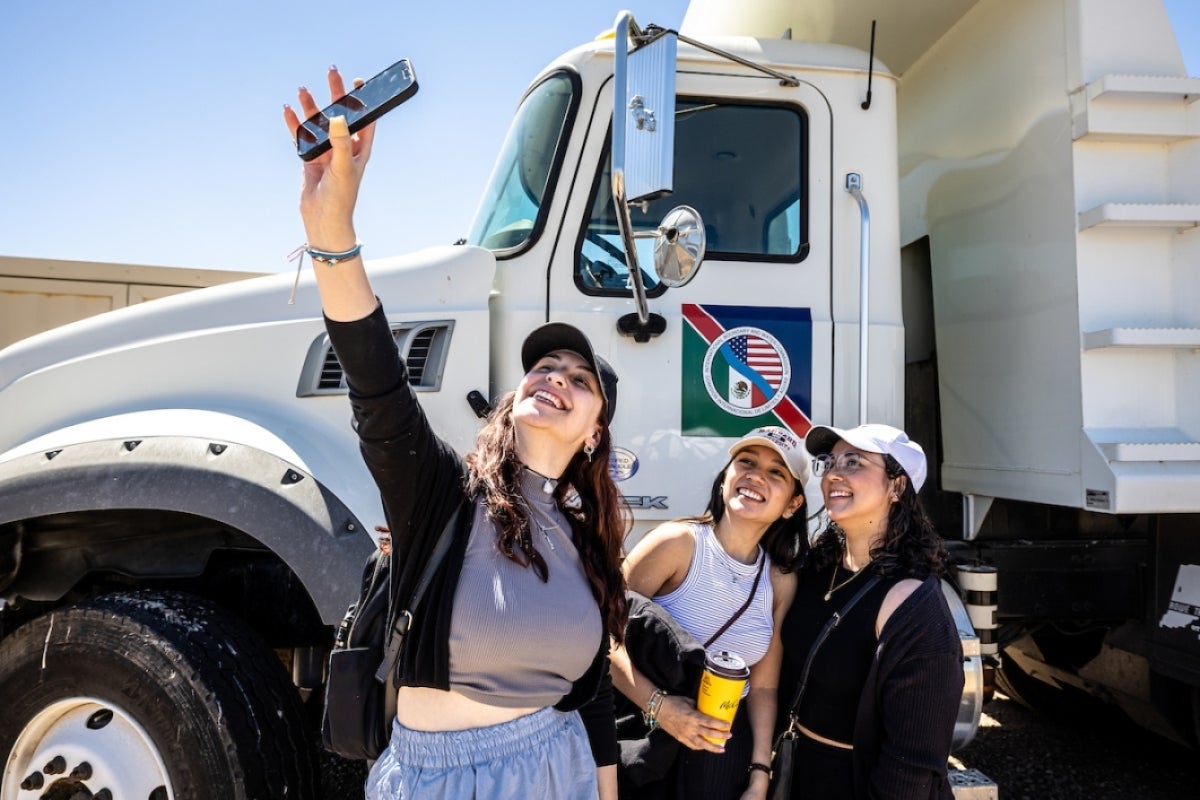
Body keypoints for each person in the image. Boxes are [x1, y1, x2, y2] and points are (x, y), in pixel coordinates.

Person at [283, 69, 628, 799]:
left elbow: (591, 699)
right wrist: (332, 236)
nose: (555, 375)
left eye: (580, 376)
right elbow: (378, 388)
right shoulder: (442, 496)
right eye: (543, 366)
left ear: (596, 432)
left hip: (560, 767)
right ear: (513, 399)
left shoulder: (588, 537)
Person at [609, 426, 809, 800]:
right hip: (647, 740)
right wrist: (662, 708)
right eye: (746, 462)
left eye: (776, 473)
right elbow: (602, 635)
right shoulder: (678, 543)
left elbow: (763, 687)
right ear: (725, 479)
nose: (755, 476)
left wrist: (760, 773)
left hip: (720, 757)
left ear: (792, 505)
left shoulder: (781, 581)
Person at [777, 423, 963, 799]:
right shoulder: (816, 568)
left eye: (854, 462)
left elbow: (913, 761)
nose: (833, 474)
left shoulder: (912, 603)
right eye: (830, 463)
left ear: (897, 487)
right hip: (796, 771)